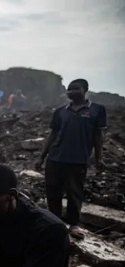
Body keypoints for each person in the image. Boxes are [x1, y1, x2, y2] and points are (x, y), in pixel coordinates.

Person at [35, 79, 107, 239]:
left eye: (75, 89)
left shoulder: (96, 110)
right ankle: (54, 222)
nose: (71, 92)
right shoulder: (61, 111)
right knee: (53, 191)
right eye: (69, 89)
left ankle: (74, 224)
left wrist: (98, 158)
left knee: (75, 192)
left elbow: (98, 135)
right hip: (55, 158)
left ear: (85, 90)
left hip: (78, 159)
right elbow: (52, 135)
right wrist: (41, 157)